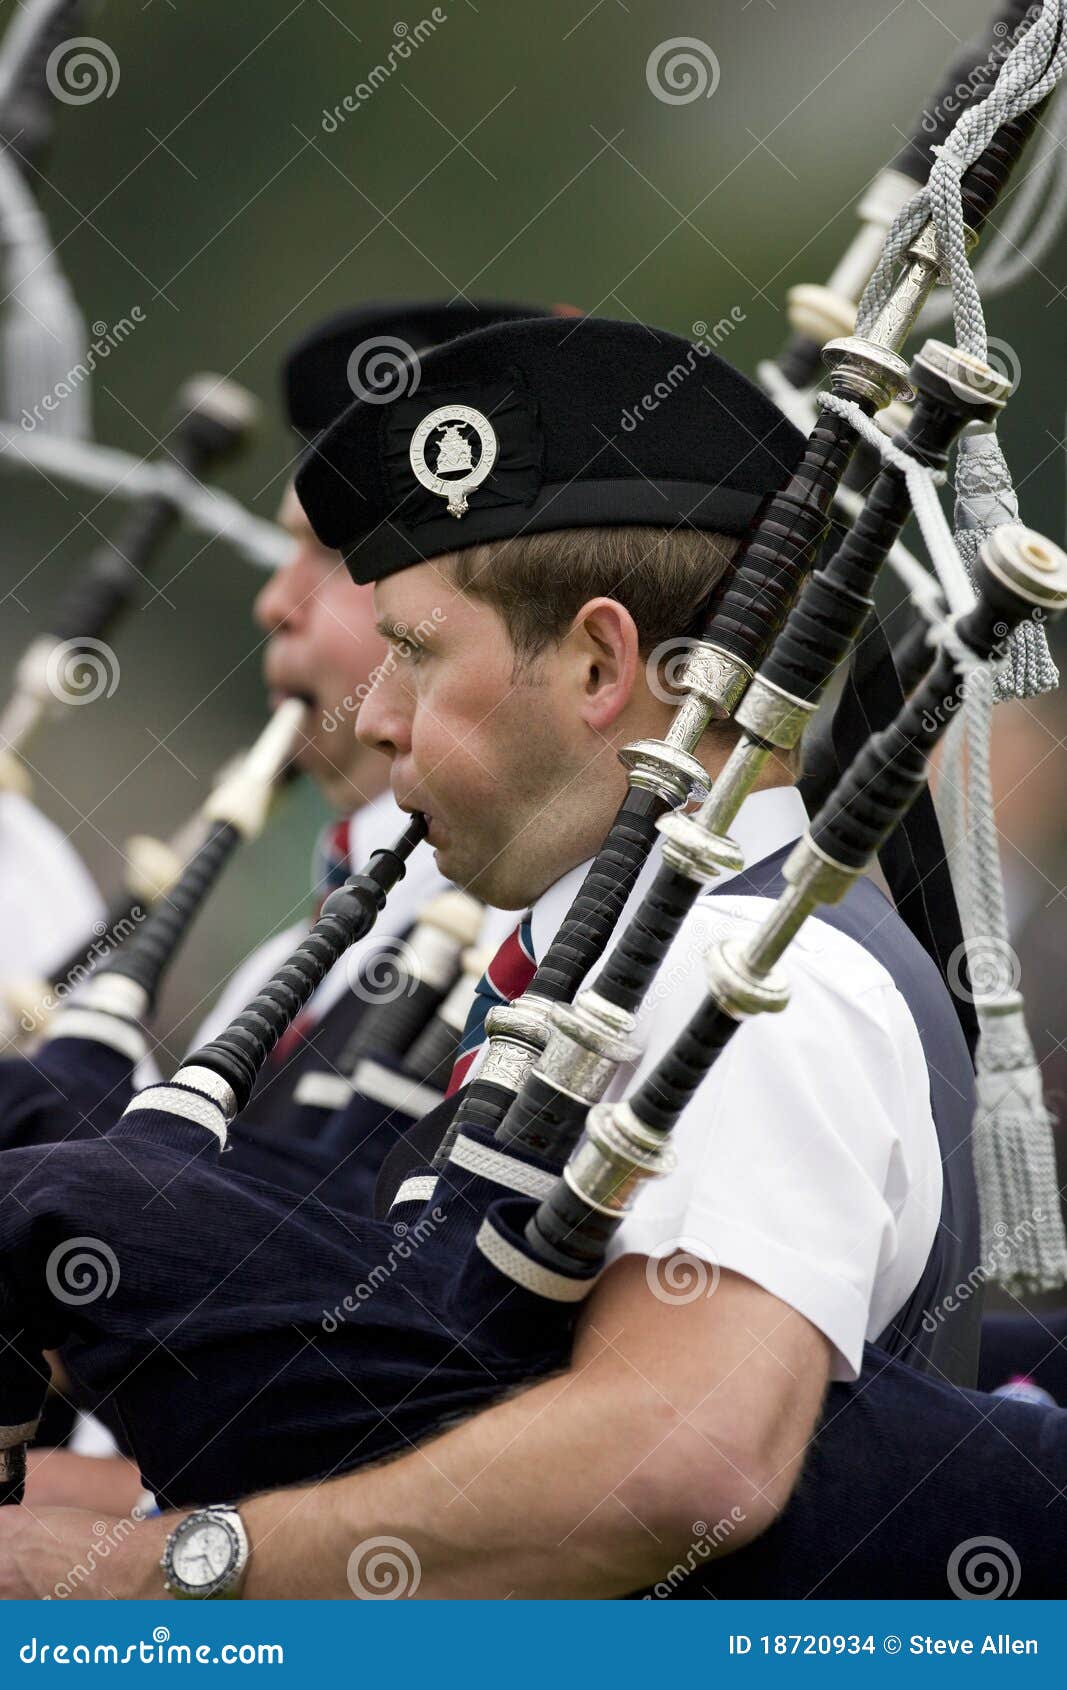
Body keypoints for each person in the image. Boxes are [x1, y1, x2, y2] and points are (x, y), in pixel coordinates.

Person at [7, 312, 1043, 1600]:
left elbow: (679, 1463)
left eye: (414, 654)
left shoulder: (755, 975)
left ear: (603, 665)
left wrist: (165, 1576)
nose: (375, 721)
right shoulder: (626, 966)